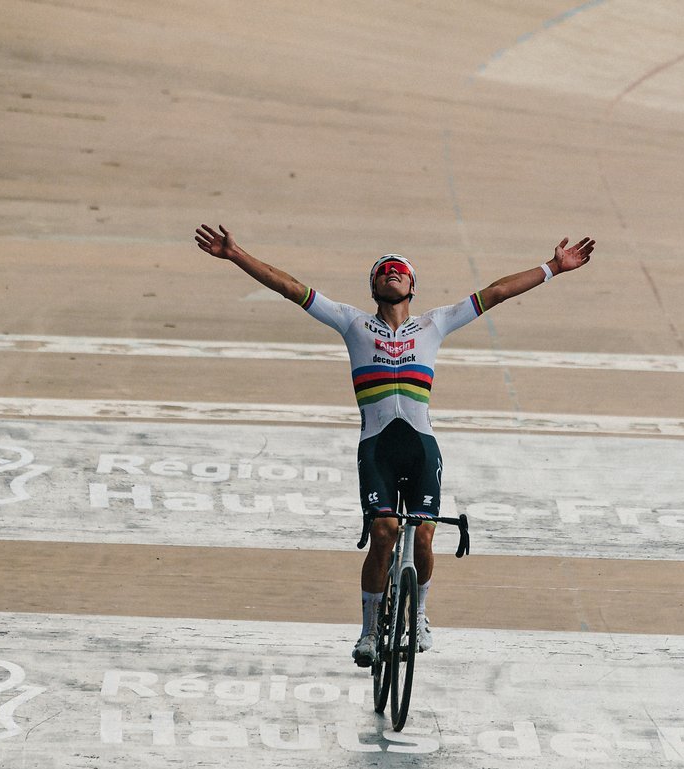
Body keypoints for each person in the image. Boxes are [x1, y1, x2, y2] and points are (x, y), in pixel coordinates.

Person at [195, 224, 595, 665]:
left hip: (421, 444)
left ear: (412, 287)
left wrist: (553, 268)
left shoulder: (435, 323)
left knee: (424, 534)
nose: (391, 273)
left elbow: (496, 292)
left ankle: (420, 615)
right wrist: (237, 255)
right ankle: (368, 632)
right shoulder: (352, 322)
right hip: (377, 446)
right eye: (383, 271)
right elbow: (291, 288)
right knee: (383, 533)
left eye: (399, 270)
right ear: (373, 286)